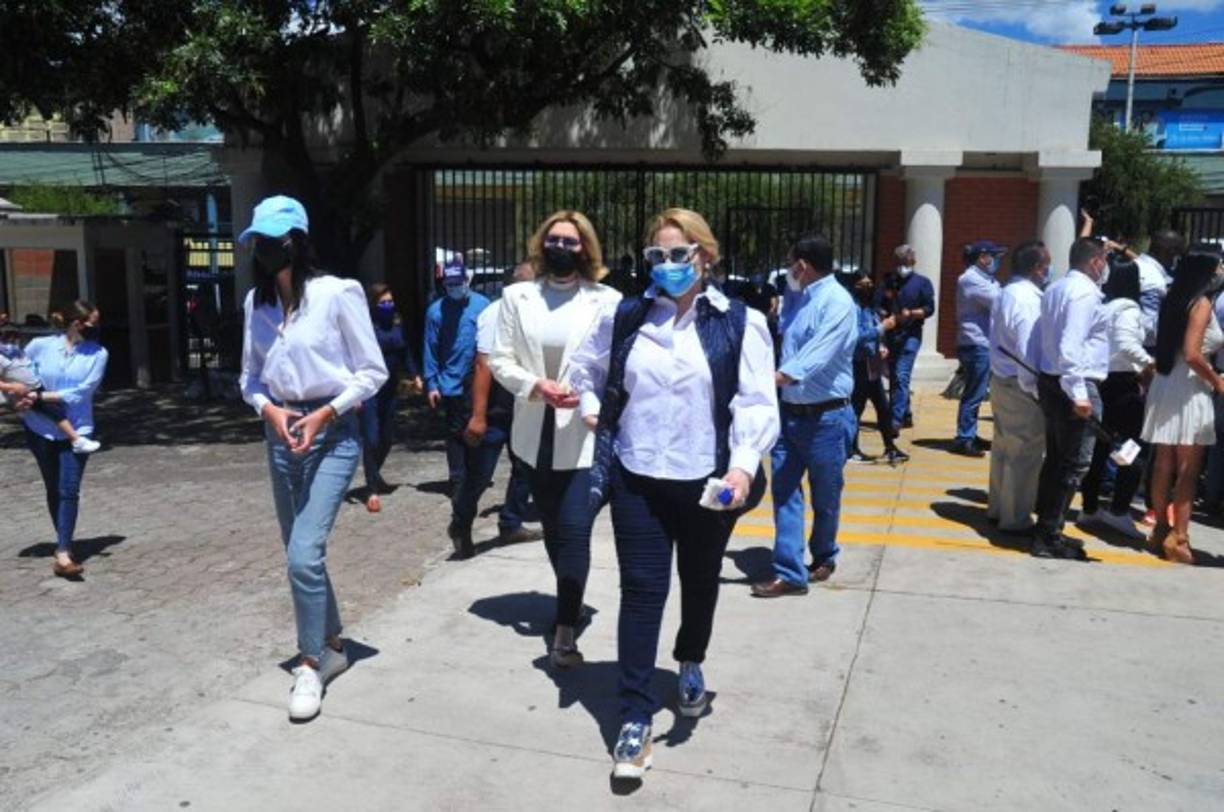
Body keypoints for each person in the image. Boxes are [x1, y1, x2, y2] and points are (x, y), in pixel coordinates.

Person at [569, 207, 778, 781]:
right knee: (641, 591)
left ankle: (690, 659)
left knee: (701, 580)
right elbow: (585, 370)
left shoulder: (740, 321)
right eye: (656, 256)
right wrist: (592, 411)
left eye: (678, 255)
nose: (666, 266)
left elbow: (756, 403)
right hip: (637, 477)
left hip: (708, 482)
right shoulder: (627, 314)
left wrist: (740, 469)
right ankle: (634, 717)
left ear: (704, 258)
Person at [238, 195, 388, 722]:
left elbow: (373, 372)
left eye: (269, 241)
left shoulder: (338, 294)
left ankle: (309, 661)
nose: (260, 250)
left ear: (295, 241)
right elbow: (250, 378)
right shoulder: (255, 304)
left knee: (304, 553)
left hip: (333, 433)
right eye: (255, 241)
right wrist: (269, 411)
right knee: (299, 553)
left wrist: (324, 414)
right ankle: (335, 646)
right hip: (280, 434)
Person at [489, 211, 622, 668]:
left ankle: (565, 630)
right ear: (541, 244)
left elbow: (615, 365)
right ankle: (571, 598)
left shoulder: (607, 300)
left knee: (576, 529)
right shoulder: (516, 297)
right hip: (534, 432)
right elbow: (500, 359)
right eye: (554, 240)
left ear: (585, 247)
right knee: (553, 528)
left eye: (570, 241)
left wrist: (594, 400)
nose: (561, 247)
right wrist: (534, 386)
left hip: (583, 432)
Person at [752, 234, 857, 598]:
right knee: (785, 493)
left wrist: (775, 379)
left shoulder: (839, 303)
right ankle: (790, 572)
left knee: (825, 497)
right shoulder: (794, 299)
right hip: (789, 415)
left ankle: (824, 555)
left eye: (789, 262)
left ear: (802, 266)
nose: (787, 269)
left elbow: (818, 353)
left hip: (827, 418)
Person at [451, 261, 543, 557]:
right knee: (479, 474)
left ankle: (511, 524)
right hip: (492, 406)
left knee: (525, 467)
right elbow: (483, 365)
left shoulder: (536, 313)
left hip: (522, 404)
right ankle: (461, 525)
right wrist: (478, 416)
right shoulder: (496, 313)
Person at [13, 300, 108, 578]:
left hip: (79, 428)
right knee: (53, 487)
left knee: (69, 489)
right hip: (39, 426)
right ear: (76, 323)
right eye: (92, 322)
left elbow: (82, 392)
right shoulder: (40, 346)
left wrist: (40, 396)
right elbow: (19, 372)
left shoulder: (98, 353)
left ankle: (64, 552)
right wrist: (17, 396)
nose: (96, 327)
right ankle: (62, 540)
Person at [1140, 247, 1224, 564]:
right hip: (1188, 386)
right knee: (1188, 470)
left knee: (1164, 463)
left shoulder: (1172, 299)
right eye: (1218, 266)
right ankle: (1180, 536)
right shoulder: (1200, 303)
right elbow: (1192, 353)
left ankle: (1161, 527)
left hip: (1166, 382)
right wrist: (1217, 381)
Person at [1030, 237, 1112, 560]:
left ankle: (1048, 529)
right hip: (1074, 383)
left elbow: (1043, 339)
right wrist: (1079, 394)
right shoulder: (1083, 293)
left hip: (1054, 380)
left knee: (1057, 460)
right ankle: (1049, 535)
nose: (1106, 266)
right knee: (1074, 463)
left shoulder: (1057, 288)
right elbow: (1070, 347)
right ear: (1094, 262)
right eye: (1104, 259)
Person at [1078, 257, 1152, 540]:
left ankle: (1090, 506)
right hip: (1124, 384)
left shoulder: (1105, 307)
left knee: (1100, 446)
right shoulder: (1130, 309)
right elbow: (1126, 343)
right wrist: (1150, 363)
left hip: (1102, 380)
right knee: (1134, 448)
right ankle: (1120, 510)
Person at [986, 240, 1048, 533]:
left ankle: (999, 508)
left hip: (1001, 379)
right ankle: (1016, 519)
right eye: (1046, 265)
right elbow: (1026, 350)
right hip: (1019, 384)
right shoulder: (1027, 299)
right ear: (1037, 268)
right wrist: (1035, 391)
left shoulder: (1007, 292)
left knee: (1004, 448)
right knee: (1024, 452)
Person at [423, 259, 490, 498]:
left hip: (478, 380)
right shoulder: (436, 311)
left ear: (467, 280)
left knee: (477, 428)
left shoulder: (483, 306)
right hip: (450, 381)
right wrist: (431, 383)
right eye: (449, 284)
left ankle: (476, 475)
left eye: (458, 283)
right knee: (454, 432)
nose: (454, 288)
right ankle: (458, 478)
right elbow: (430, 348)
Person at [359, 282, 422, 513]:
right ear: (374, 305)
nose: (388, 305)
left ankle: (374, 473)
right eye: (383, 302)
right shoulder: (366, 326)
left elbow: (405, 351)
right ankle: (371, 488)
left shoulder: (396, 322)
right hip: (369, 390)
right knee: (372, 438)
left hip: (390, 388)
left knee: (386, 438)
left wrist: (415, 374)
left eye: (390, 301)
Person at [1, 323, 102, 455]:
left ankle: (75, 439)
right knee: (56, 412)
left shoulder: (14, 352)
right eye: (9, 337)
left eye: (14, 336)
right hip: (28, 391)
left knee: (55, 410)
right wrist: (12, 387)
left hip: (35, 387)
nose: (13, 340)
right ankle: (76, 440)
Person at [953, 240, 1007, 456]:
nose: (997, 261)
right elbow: (1000, 302)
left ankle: (970, 433)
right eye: (994, 256)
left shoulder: (986, 279)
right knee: (974, 393)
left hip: (983, 343)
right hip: (976, 343)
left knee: (977, 391)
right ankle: (964, 438)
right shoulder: (971, 279)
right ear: (983, 257)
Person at [846, 270, 906, 464]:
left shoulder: (869, 308)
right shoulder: (852, 309)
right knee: (857, 407)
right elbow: (856, 338)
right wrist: (883, 327)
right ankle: (851, 448)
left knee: (882, 406)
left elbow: (872, 335)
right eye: (863, 285)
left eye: (870, 284)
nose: (868, 288)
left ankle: (890, 447)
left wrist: (880, 346)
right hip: (858, 363)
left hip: (871, 363)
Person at [878, 245, 935, 433]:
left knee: (901, 375)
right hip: (892, 335)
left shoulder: (923, 283)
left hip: (911, 335)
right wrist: (885, 314)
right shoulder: (888, 281)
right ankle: (906, 412)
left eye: (906, 261)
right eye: (900, 261)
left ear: (913, 261)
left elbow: (929, 309)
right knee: (895, 377)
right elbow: (878, 304)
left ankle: (895, 420)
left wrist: (911, 313)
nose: (903, 265)